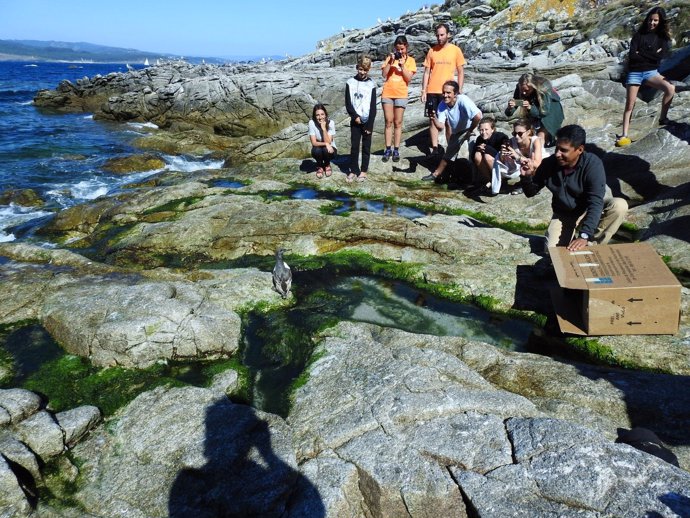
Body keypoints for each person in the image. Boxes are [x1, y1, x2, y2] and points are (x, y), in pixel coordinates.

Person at [519, 125, 628, 252]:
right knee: (553, 253)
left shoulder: (592, 164)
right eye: (557, 148)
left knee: (619, 205)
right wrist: (526, 177)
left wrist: (584, 235)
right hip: (564, 214)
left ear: (580, 149)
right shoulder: (549, 163)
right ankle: (574, 241)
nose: (558, 154)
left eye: (563, 150)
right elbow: (530, 192)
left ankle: (591, 246)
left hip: (588, 209)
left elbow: (596, 202)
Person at [616, 7, 675, 147]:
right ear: (647, 19)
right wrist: (650, 54)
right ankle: (624, 134)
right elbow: (632, 56)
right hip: (635, 73)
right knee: (630, 105)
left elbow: (660, 56)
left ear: (660, 22)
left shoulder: (662, 38)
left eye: (655, 20)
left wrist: (641, 53)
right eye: (650, 19)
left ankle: (663, 118)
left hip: (651, 72)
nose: (652, 22)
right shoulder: (638, 35)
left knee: (670, 88)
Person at [421, 23, 467, 156]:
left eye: (442, 35)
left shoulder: (455, 50)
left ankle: (450, 148)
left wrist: (459, 88)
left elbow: (461, 71)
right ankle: (435, 148)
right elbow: (426, 72)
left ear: (448, 35)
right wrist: (424, 90)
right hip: (432, 91)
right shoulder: (432, 51)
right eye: (437, 35)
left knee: (448, 121)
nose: (439, 37)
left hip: (447, 91)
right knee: (432, 118)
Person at [422, 80, 481, 182]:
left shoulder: (463, 100)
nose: (445, 95)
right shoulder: (442, 105)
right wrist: (433, 118)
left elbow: (478, 116)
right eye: (444, 92)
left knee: (473, 152)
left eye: (448, 93)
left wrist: (470, 130)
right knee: (449, 153)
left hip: (472, 127)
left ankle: (476, 179)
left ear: (456, 94)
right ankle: (436, 174)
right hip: (458, 131)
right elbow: (440, 127)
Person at [381, 35, 417, 163]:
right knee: (388, 121)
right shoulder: (390, 59)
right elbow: (384, 75)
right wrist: (390, 62)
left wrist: (402, 67)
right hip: (388, 93)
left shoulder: (411, 61)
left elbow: (408, 78)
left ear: (406, 47)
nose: (400, 52)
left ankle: (396, 149)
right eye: (398, 49)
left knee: (398, 122)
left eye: (402, 49)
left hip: (401, 93)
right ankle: (387, 149)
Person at [505, 73, 564, 148]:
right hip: (533, 110)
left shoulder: (543, 86)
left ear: (533, 86)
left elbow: (544, 112)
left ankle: (540, 154)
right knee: (526, 134)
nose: (523, 92)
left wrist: (530, 107)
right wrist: (510, 108)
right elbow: (510, 111)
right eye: (522, 90)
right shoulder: (520, 86)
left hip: (551, 112)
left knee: (540, 136)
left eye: (527, 90)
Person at [487, 118, 543, 196]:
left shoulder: (535, 141)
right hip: (520, 168)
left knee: (533, 161)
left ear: (528, 132)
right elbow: (503, 163)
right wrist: (502, 155)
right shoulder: (511, 142)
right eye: (514, 133)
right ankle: (519, 183)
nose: (516, 136)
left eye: (520, 133)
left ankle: (532, 185)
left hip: (538, 168)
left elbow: (537, 163)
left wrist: (517, 157)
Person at [345, 55, 377, 182]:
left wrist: (369, 125)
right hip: (355, 120)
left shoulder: (371, 85)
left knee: (366, 146)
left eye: (365, 70)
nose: (362, 72)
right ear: (357, 68)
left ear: (368, 70)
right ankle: (353, 169)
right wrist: (355, 116)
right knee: (354, 146)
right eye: (360, 69)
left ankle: (363, 170)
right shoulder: (350, 83)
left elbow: (373, 107)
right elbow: (348, 103)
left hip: (367, 120)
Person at [472, 116, 509, 189]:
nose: (483, 132)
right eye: (481, 130)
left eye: (486, 129)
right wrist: (478, 149)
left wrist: (487, 148)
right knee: (477, 155)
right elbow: (473, 157)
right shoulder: (479, 139)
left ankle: (500, 180)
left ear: (492, 129)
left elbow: (502, 155)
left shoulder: (500, 137)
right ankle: (491, 180)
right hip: (489, 168)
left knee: (487, 156)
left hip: (503, 165)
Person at [308, 103, 336, 179]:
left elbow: (329, 142)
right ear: (314, 116)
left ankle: (327, 165)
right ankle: (320, 165)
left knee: (326, 149)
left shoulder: (331, 123)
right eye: (317, 115)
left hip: (330, 149)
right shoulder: (311, 123)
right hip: (318, 148)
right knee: (316, 151)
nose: (320, 117)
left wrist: (324, 129)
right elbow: (314, 142)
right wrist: (326, 144)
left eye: (322, 114)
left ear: (325, 114)